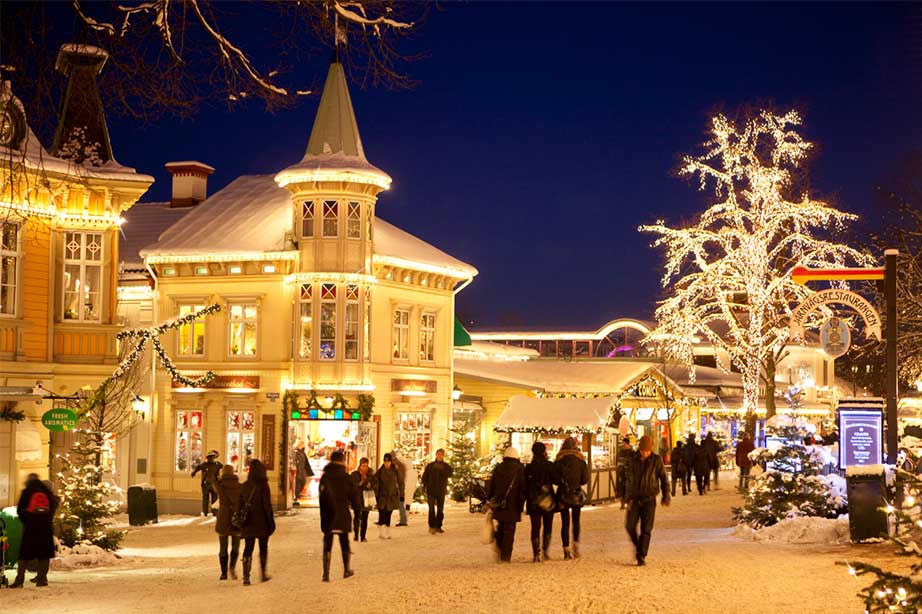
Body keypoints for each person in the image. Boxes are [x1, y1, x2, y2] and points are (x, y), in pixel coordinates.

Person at [623, 435, 670, 566]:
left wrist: (666, 496)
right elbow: (626, 478)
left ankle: (641, 555)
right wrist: (625, 494)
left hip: (649, 499)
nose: (645, 453)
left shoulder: (656, 460)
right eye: (643, 451)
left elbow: (664, 479)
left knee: (646, 529)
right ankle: (638, 546)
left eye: (647, 451)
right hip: (634, 499)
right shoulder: (633, 460)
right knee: (629, 526)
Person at [319, 451, 363, 582]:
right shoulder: (346, 477)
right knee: (344, 542)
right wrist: (357, 510)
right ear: (342, 461)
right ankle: (346, 570)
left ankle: (326, 574)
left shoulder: (325, 477)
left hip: (328, 514)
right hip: (342, 514)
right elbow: (354, 496)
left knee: (328, 543)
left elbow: (322, 498)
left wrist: (324, 513)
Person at [10, 474, 58, 588]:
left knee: (24, 555)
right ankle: (41, 580)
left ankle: (19, 580)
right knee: (44, 555)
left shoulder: (27, 491)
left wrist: (27, 520)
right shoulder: (46, 491)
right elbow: (52, 509)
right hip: (45, 527)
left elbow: (20, 510)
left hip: (31, 527)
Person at [238, 459, 275, 585]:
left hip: (248, 522)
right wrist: (271, 522)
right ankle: (263, 573)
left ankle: (246, 577)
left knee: (248, 548)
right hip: (262, 522)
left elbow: (239, 505)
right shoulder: (264, 486)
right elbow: (267, 506)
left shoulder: (245, 486)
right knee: (263, 548)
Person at [487, 446, 525, 563]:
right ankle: (506, 556)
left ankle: (499, 546)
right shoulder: (519, 469)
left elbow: (491, 485)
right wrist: (522, 502)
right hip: (513, 504)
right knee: (509, 530)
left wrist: (490, 499)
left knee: (501, 526)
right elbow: (523, 487)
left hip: (499, 503)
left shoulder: (499, 468)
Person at [524, 441, 559, 562]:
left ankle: (536, 554)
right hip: (548, 499)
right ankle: (545, 552)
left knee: (535, 527)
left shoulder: (529, 467)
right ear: (544, 451)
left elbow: (525, 485)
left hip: (533, 500)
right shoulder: (549, 465)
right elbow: (556, 480)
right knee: (548, 526)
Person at [555, 436, 589, 559]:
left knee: (565, 522)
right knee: (576, 521)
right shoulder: (580, 461)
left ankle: (566, 549)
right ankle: (576, 546)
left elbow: (555, 479)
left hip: (563, 494)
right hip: (575, 495)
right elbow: (584, 480)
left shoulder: (559, 460)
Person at [214, 464, 242, 581]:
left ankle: (223, 573)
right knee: (235, 546)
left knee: (223, 547)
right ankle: (232, 568)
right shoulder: (240, 486)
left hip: (223, 519)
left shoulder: (220, 486)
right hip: (236, 519)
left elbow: (212, 479)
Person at [421, 448, 453, 534]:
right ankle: (432, 526)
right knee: (431, 509)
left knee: (440, 509)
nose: (439, 456)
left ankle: (438, 525)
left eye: (441, 454)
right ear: (436, 455)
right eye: (438, 454)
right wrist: (424, 486)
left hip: (441, 490)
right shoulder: (430, 466)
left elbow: (450, 473)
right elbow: (425, 477)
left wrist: (443, 471)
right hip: (431, 490)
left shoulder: (446, 466)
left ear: (443, 456)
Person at [375, 453, 403, 539]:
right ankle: (382, 532)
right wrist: (376, 494)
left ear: (391, 462)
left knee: (388, 514)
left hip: (392, 496)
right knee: (382, 514)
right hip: (382, 496)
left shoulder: (395, 471)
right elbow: (376, 482)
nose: (386, 463)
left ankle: (387, 531)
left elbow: (401, 482)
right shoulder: (380, 471)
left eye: (388, 461)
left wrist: (401, 494)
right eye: (385, 461)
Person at [350, 457, 375, 542]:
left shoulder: (370, 474)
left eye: (366, 466)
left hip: (367, 499)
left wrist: (369, 484)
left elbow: (373, 485)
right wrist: (361, 482)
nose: (365, 468)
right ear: (360, 465)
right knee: (357, 517)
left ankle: (363, 536)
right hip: (357, 498)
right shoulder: (354, 474)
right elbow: (352, 487)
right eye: (363, 466)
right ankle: (356, 534)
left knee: (365, 518)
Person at [192, 450, 222, 516]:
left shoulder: (217, 464)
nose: (212, 458)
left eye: (213, 457)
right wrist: (194, 473)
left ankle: (214, 512)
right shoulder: (204, 465)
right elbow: (198, 468)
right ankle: (205, 512)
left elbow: (223, 468)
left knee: (214, 498)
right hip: (206, 484)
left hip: (214, 484)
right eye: (210, 457)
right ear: (208, 458)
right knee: (206, 499)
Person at [292, 439, 314, 507]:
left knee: (302, 482)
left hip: (302, 471)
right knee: (298, 483)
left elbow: (306, 462)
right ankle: (295, 497)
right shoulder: (296, 452)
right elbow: (295, 461)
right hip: (298, 471)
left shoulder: (302, 452)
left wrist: (309, 471)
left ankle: (297, 495)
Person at [391, 451, 409, 526]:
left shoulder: (396, 465)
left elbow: (398, 476)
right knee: (400, 503)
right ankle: (403, 519)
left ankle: (403, 520)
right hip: (399, 486)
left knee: (399, 503)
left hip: (397, 487)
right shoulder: (400, 464)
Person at [615, 437, 634, 509]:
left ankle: (628, 503)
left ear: (627, 443)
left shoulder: (632, 452)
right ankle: (622, 503)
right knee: (621, 488)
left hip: (629, 473)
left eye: (624, 443)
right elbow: (618, 461)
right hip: (621, 473)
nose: (623, 445)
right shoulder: (620, 452)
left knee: (628, 488)